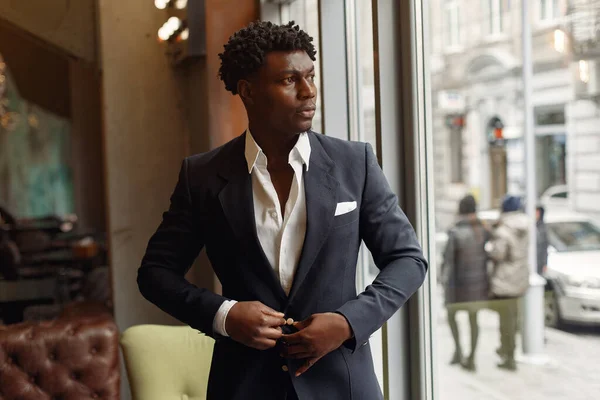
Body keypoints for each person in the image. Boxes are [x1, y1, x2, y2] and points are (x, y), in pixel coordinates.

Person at [137, 21, 427, 400]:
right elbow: (155, 273)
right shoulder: (203, 176)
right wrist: (225, 315)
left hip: (344, 385)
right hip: (244, 385)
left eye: (310, 76)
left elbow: (407, 259)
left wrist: (347, 322)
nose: (309, 92)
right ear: (249, 91)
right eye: (290, 80)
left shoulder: (354, 163)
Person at [442, 194, 490, 372]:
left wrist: (445, 285)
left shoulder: (456, 232)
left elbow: (448, 262)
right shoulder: (482, 231)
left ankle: (458, 350)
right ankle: (472, 357)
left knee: (451, 315)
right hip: (477, 285)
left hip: (458, 286)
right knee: (473, 319)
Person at [487, 195, 530, 371]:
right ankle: (509, 351)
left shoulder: (503, 230)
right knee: (514, 319)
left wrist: (491, 247)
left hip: (505, 281)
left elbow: (498, 254)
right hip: (520, 279)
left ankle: (508, 355)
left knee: (505, 321)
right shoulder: (526, 227)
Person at [536, 205, 549, 275]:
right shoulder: (531, 225)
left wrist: (544, 263)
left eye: (538, 213)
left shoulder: (542, 228)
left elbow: (544, 247)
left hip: (539, 262)